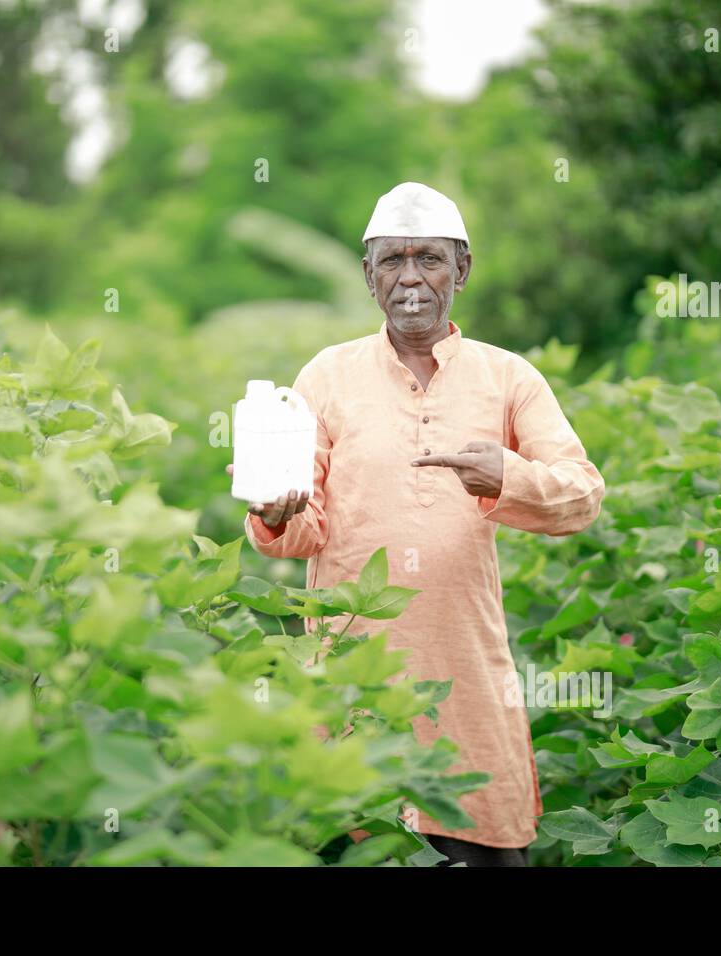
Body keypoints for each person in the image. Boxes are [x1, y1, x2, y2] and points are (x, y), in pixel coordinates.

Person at [229, 182, 606, 866]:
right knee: (355, 841)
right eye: (392, 261)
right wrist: (275, 514)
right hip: (352, 672)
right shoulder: (327, 376)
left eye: (429, 259)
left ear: (461, 271)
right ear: (368, 277)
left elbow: (581, 495)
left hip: (465, 672)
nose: (411, 279)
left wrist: (508, 477)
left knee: (481, 842)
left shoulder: (508, 379)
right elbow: (305, 526)